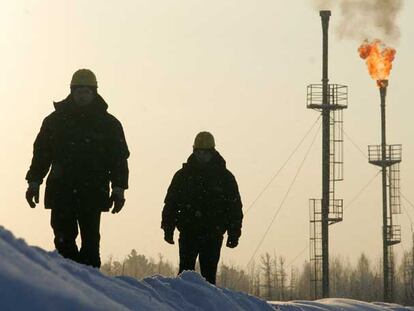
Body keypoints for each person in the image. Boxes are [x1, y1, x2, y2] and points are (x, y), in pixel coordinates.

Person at [25, 69, 129, 268]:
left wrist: (119, 189)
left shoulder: (109, 125)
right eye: (79, 91)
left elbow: (119, 160)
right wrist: (34, 182)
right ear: (72, 92)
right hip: (61, 189)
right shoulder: (54, 122)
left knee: (90, 244)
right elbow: (41, 155)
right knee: (64, 242)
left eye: (87, 92)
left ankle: (90, 289)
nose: (83, 96)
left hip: (93, 191)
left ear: (94, 93)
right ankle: (69, 286)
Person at [161, 131, 243, 284]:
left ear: (212, 152)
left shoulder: (225, 178)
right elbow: (171, 203)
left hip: (213, 234)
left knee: (209, 277)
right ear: (194, 151)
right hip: (188, 232)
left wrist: (234, 233)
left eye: (205, 153)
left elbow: (234, 207)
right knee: (184, 277)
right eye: (199, 152)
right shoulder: (183, 176)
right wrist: (168, 227)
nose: (202, 156)